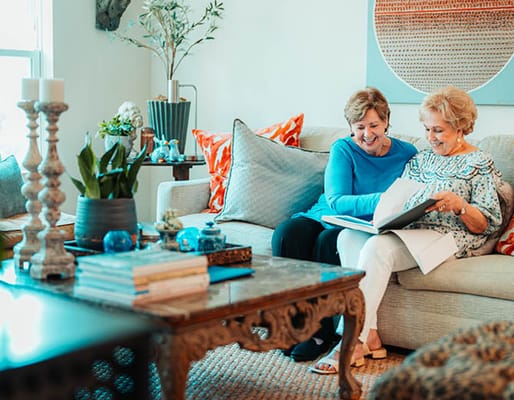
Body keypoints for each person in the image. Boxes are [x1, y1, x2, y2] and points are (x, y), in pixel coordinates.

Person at [311, 85, 504, 374]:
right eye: (427, 129)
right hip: (411, 231)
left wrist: (459, 205)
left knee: (377, 248)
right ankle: (371, 336)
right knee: (349, 236)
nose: (430, 138)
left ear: (460, 126)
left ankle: (350, 341)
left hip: (447, 239)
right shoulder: (421, 159)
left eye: (438, 130)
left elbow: (487, 223)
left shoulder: (479, 163)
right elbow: (400, 197)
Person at [272, 87, 418, 362]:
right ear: (350, 127)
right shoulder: (343, 148)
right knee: (286, 234)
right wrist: (386, 199)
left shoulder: (407, 153)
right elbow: (337, 201)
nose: (367, 134)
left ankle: (320, 332)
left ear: (387, 121)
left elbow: (412, 194)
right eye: (359, 126)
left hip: (360, 227)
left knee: (330, 243)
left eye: (374, 125)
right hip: (327, 215)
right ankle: (293, 327)